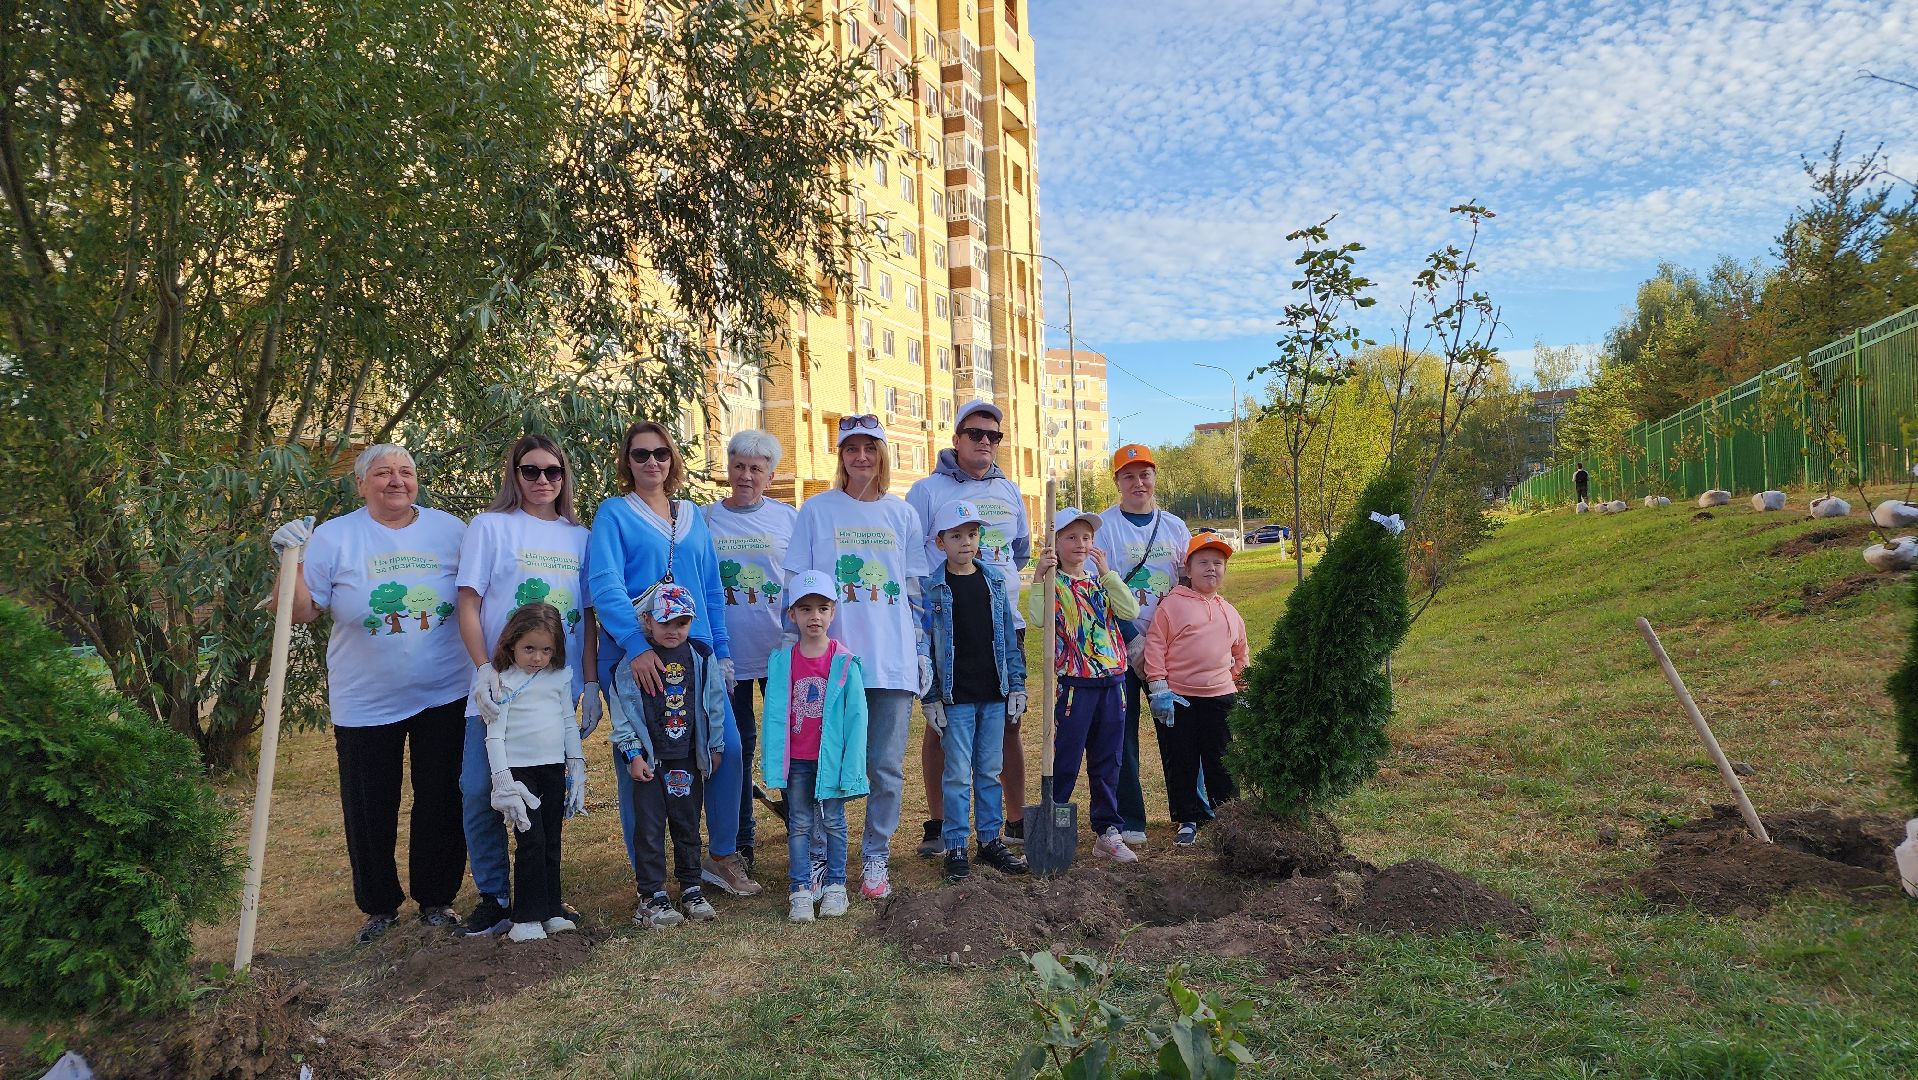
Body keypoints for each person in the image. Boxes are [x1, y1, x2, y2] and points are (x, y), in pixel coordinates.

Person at [268, 443, 470, 945]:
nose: (396, 481)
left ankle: (437, 899)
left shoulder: (450, 530)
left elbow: (479, 593)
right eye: (383, 473)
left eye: (406, 471)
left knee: (442, 798)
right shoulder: (336, 537)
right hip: (366, 700)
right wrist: (290, 560)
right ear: (361, 484)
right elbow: (296, 612)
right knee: (369, 804)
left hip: (446, 692)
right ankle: (380, 906)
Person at [587, 420, 761, 911]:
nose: (651, 462)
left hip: (695, 654)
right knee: (641, 760)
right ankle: (652, 875)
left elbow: (709, 589)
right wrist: (633, 645)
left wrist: (721, 653)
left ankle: (720, 856)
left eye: (660, 453)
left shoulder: (691, 516)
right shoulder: (613, 514)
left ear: (672, 459)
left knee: (720, 745)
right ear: (627, 461)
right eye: (640, 454)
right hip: (637, 655)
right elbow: (605, 582)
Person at [781, 414, 930, 900]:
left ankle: (875, 856)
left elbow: (913, 591)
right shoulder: (817, 511)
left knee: (884, 767)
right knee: (830, 762)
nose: (861, 456)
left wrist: (922, 649)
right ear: (840, 456)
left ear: (883, 453)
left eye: (870, 447)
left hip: (891, 663)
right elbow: (796, 585)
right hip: (832, 665)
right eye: (851, 448)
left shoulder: (902, 514)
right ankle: (823, 856)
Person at [455, 434, 598, 937]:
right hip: (499, 686)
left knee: (547, 793)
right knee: (480, 789)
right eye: (530, 471)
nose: (542, 481)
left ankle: (542, 895)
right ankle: (494, 895)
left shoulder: (580, 536)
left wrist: (592, 679)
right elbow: (468, 603)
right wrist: (481, 668)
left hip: (556, 687)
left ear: (565, 478)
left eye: (552, 471)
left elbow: (587, 614)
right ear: (513, 474)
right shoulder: (491, 528)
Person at [904, 399, 1031, 855]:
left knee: (1008, 725)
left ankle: (1012, 822)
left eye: (993, 436)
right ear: (956, 438)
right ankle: (941, 825)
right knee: (943, 724)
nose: (985, 442)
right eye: (975, 433)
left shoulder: (1010, 490)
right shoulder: (927, 490)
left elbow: (1019, 552)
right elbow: (912, 556)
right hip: (945, 626)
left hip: (1001, 623)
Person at [702, 429, 800, 874]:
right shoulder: (704, 520)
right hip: (728, 656)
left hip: (780, 650)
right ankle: (741, 842)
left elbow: (803, 579)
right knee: (738, 746)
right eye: (739, 466)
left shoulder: (787, 518)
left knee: (790, 740)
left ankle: (801, 828)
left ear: (771, 475)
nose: (746, 475)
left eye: (756, 468)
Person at [920, 500, 1030, 883]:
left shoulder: (994, 582)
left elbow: (1008, 640)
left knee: (989, 770)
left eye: (972, 534)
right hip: (956, 698)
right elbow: (926, 648)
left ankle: (989, 840)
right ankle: (955, 845)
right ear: (940, 542)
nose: (965, 542)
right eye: (956, 536)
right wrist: (931, 695)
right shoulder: (932, 589)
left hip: (993, 693)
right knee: (956, 775)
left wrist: (1016, 684)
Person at [609, 583, 728, 927]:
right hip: (649, 761)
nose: (674, 631)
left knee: (687, 823)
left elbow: (715, 705)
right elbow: (621, 714)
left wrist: (714, 746)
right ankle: (651, 896)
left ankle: (692, 887)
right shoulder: (630, 664)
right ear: (647, 621)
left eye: (682, 623)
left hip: (687, 757)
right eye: (666, 623)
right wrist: (633, 754)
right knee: (648, 827)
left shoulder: (702, 657)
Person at [1095, 444, 1192, 846]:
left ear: (1155, 477)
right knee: (1121, 732)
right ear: (1117, 481)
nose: (1138, 483)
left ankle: (1189, 811)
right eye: (1129, 476)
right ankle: (1129, 818)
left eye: (1145, 474)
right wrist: (1133, 639)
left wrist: (1169, 639)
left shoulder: (1174, 527)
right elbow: (1097, 587)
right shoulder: (1103, 526)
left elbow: (1187, 583)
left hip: (1171, 649)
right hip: (1119, 645)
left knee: (1179, 730)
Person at [1032, 507, 1141, 863]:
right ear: (1056, 544)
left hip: (1114, 682)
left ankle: (1107, 830)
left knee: (1108, 759)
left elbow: (1130, 612)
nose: (1080, 544)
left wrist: (1108, 573)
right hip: (1076, 685)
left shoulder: (1100, 583)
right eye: (1071, 537)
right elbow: (1038, 619)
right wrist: (1038, 577)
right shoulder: (1054, 584)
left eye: (1086, 538)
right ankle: (1053, 820)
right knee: (1066, 756)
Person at [759, 570, 869, 923]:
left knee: (835, 822)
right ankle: (801, 889)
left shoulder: (845, 663)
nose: (815, 617)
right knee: (800, 823)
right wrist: (775, 761)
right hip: (799, 762)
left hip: (831, 762)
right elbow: (774, 716)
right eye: (805, 609)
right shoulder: (783, 662)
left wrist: (850, 763)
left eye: (822, 608)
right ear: (793, 615)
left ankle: (836, 885)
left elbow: (856, 719)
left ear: (833, 613)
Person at [475, 603, 586, 941]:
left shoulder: (558, 678)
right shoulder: (503, 682)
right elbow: (493, 735)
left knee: (552, 839)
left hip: (552, 769)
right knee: (531, 840)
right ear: (511, 644)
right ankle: (526, 916)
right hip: (519, 772)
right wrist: (502, 780)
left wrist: (576, 765)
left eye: (546, 650)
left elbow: (568, 723)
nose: (537, 657)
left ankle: (551, 909)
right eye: (529, 649)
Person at [1143, 531, 1249, 847]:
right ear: (1188, 570)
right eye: (1203, 562)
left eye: (1218, 563)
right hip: (1179, 700)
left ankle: (1227, 818)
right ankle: (1188, 820)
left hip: (1220, 699)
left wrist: (1238, 684)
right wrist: (1158, 687)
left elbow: (1241, 651)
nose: (1211, 569)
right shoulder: (1172, 605)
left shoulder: (1229, 610)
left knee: (1222, 762)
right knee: (1183, 760)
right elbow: (1155, 645)